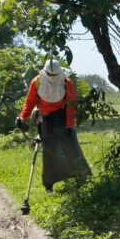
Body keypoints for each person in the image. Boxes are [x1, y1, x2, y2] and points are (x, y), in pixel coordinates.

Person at [16, 59, 90, 192]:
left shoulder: (67, 83)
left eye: (54, 75)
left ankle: (81, 179)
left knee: (71, 149)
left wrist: (69, 125)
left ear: (59, 73)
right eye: (49, 75)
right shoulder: (37, 82)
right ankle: (49, 184)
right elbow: (30, 101)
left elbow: (71, 106)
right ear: (45, 72)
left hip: (63, 118)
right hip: (45, 121)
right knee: (50, 153)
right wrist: (22, 117)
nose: (52, 78)